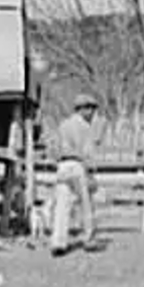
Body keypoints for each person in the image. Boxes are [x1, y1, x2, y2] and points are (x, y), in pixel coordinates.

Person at [50, 92, 100, 257]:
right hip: (77, 165)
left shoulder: (63, 125)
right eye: (91, 109)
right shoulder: (85, 127)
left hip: (62, 165)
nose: (93, 113)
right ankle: (88, 238)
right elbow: (87, 152)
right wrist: (91, 173)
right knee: (86, 203)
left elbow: (54, 148)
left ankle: (59, 242)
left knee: (62, 205)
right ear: (83, 109)